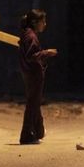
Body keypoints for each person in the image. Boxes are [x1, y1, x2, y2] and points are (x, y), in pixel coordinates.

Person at [18, 9, 57, 144]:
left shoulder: (28, 34)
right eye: (43, 22)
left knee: (34, 103)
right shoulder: (31, 36)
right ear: (35, 23)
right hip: (32, 74)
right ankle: (27, 135)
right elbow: (31, 56)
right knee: (32, 104)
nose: (44, 24)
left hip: (31, 73)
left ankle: (37, 131)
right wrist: (47, 53)